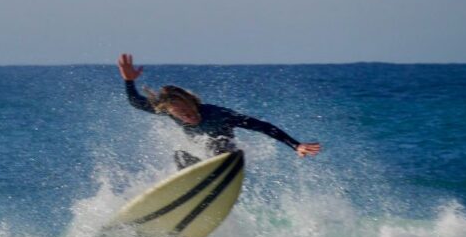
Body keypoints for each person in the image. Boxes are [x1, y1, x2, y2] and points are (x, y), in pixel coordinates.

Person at [117, 53, 321, 169]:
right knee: (180, 156)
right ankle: (190, 188)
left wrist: (295, 145)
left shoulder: (218, 114)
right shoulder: (170, 112)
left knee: (217, 143)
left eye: (188, 109)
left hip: (228, 158)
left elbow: (262, 126)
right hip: (207, 164)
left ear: (193, 103)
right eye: (180, 113)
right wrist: (128, 80)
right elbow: (136, 102)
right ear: (171, 112)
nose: (186, 115)